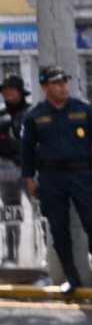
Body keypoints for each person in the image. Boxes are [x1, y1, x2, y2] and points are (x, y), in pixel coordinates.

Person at [21, 66, 92, 294]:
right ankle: (71, 276)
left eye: (65, 82)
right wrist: (29, 178)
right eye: (57, 83)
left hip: (82, 175)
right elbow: (26, 150)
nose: (63, 87)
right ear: (45, 87)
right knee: (58, 228)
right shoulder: (35, 115)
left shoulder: (84, 110)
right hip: (51, 178)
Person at [0, 74, 30, 264]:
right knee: (11, 213)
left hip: (30, 170)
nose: (8, 94)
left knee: (42, 212)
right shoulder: (1, 115)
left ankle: (48, 254)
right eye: (5, 91)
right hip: (7, 170)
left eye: (11, 90)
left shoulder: (32, 112)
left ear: (20, 91)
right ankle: (11, 255)